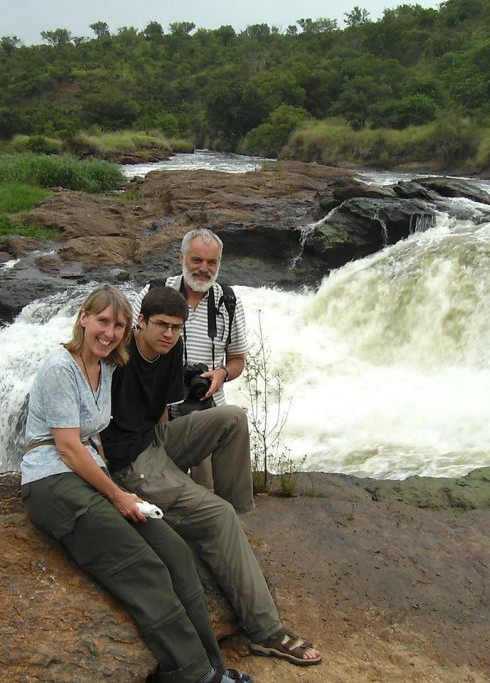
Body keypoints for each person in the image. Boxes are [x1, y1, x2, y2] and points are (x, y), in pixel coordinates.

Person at [20, 284, 252, 683]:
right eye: (103, 321)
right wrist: (119, 495)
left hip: (92, 475)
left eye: (118, 325)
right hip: (52, 482)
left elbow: (139, 403)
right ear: (84, 318)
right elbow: (70, 449)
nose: (109, 332)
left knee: (175, 552)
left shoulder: (107, 367)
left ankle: (213, 666)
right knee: (142, 564)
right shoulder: (61, 368)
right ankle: (192, 674)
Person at [101, 286, 323, 667]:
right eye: (161, 326)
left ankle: (233, 521)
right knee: (214, 514)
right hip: (130, 463)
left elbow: (160, 414)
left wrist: (171, 455)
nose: (168, 334)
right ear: (140, 322)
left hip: (156, 440)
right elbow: (92, 426)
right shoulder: (117, 359)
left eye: (176, 327)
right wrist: (113, 486)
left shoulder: (171, 352)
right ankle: (266, 631)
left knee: (232, 418)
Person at [132, 228, 248, 491]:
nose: (203, 268)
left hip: (205, 409)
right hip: (154, 413)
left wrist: (222, 374)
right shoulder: (155, 292)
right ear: (181, 257)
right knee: (158, 488)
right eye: (197, 260)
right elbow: (130, 348)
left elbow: (238, 359)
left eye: (211, 262)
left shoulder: (228, 302)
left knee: (203, 490)